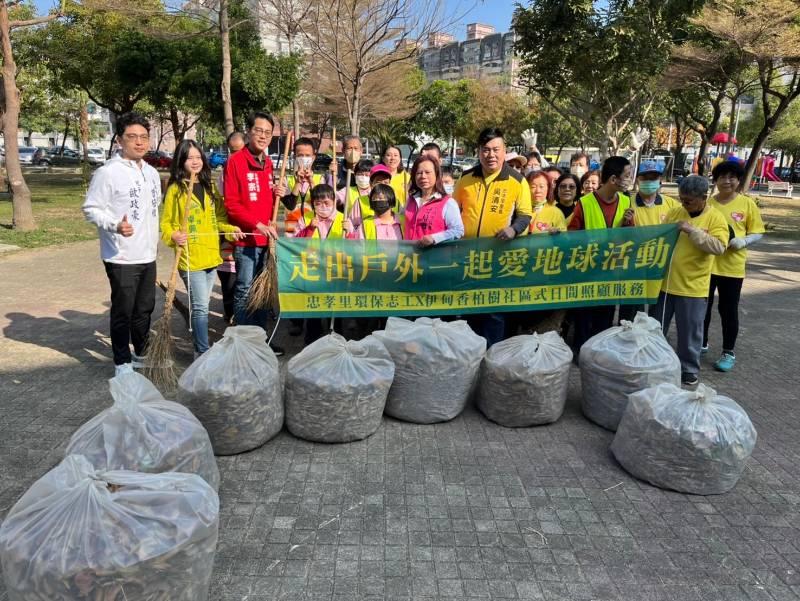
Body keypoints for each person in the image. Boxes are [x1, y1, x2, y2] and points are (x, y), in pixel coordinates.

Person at [83, 112, 162, 376]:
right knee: (123, 311)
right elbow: (91, 209)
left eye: (143, 137)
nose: (139, 142)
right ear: (119, 140)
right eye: (132, 137)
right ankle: (122, 361)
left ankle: (141, 353)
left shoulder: (151, 172)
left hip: (147, 253)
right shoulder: (108, 173)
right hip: (121, 255)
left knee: (144, 309)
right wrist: (115, 225)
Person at [160, 140, 243, 357]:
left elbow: (220, 217)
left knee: (203, 305)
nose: (195, 161)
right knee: (200, 308)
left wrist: (230, 228)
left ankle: (201, 345)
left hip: (211, 255)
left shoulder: (209, 186)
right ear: (181, 161)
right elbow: (166, 224)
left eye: (198, 157)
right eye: (190, 158)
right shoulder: (176, 190)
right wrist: (173, 236)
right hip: (190, 258)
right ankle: (202, 351)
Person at [453, 127, 533, 346]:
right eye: (486, 150)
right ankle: (470, 360)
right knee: (468, 312)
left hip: (498, 259)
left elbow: (526, 215)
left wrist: (513, 229)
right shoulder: (466, 178)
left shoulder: (517, 181)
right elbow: (453, 210)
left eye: (496, 149)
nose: (491, 155)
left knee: (494, 313)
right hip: (468, 258)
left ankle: (491, 360)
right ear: (479, 152)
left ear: (504, 150)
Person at [222, 111, 287, 355]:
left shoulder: (268, 163)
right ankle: (243, 343)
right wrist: (255, 224)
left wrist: (277, 191)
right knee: (244, 290)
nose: (262, 136)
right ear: (249, 131)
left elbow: (266, 201)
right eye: (258, 130)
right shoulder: (236, 162)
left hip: (266, 241)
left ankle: (260, 341)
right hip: (248, 240)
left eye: (268, 132)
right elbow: (232, 204)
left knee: (262, 291)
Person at [654, 175, 729, 386]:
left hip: (693, 287)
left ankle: (688, 368)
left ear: (703, 198)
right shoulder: (676, 212)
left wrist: (693, 231)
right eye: (681, 199)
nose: (683, 204)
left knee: (689, 333)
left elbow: (719, 247)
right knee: (656, 328)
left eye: (688, 200)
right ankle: (658, 363)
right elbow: (662, 236)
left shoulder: (715, 218)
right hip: (666, 284)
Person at [703, 159, 765, 372]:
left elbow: (758, 231)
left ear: (738, 181)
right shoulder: (709, 203)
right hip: (706, 265)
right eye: (722, 177)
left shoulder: (747, 204)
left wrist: (744, 241)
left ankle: (728, 351)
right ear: (716, 180)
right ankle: (701, 343)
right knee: (703, 307)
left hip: (732, 267)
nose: (727, 181)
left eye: (732, 177)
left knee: (728, 310)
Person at [568, 156, 635, 351]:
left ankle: (599, 353)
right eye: (627, 175)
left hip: (612, 272)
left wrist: (627, 224)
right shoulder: (585, 203)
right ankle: (581, 351)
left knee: (605, 316)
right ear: (613, 179)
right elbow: (572, 236)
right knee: (583, 316)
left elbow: (630, 237)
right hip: (587, 272)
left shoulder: (625, 200)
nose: (630, 179)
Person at [618, 160, 680, 322]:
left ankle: (653, 340)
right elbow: (617, 233)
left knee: (657, 309)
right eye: (644, 178)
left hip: (660, 265)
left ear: (660, 181)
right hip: (633, 265)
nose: (649, 182)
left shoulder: (671, 205)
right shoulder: (626, 202)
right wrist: (625, 223)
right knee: (630, 309)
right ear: (637, 180)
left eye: (653, 178)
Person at [294, 184, 354, 345]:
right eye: (318, 203)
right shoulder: (306, 219)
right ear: (312, 203)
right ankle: (311, 341)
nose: (323, 207)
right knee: (313, 309)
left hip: (336, 271)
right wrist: (309, 229)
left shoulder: (344, 220)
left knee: (335, 309)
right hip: (312, 271)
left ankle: (337, 340)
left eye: (327, 203)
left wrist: (349, 233)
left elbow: (355, 249)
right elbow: (295, 245)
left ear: (334, 202)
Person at [217, 132, 246, 323]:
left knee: (247, 279)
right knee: (229, 278)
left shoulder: (253, 171)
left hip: (249, 234)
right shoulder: (224, 173)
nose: (235, 156)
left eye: (239, 151)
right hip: (228, 234)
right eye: (232, 151)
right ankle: (230, 315)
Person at [404, 155, 464, 245]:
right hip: (410, 256)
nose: (423, 176)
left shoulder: (448, 203)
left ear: (436, 175)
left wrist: (434, 238)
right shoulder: (411, 200)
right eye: (419, 173)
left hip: (434, 257)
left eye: (428, 172)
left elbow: (458, 231)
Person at [283, 137, 325, 236]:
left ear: (313, 157)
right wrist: (297, 183)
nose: (304, 158)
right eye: (300, 155)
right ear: (295, 157)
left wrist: (311, 182)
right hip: (291, 231)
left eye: (307, 155)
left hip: (313, 228)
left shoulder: (320, 179)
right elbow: (290, 205)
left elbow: (320, 202)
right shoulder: (287, 180)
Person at [342, 159, 375, 228]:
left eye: (366, 175)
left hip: (371, 228)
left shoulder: (375, 192)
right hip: (352, 228)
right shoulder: (347, 190)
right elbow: (332, 198)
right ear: (354, 174)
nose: (363, 177)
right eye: (360, 174)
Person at [382, 145, 410, 210]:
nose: (392, 158)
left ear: (400, 158)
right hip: (382, 215)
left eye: (395, 155)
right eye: (389, 155)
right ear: (383, 158)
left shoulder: (407, 177)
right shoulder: (378, 177)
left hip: (402, 216)